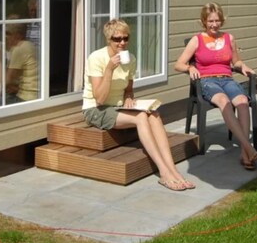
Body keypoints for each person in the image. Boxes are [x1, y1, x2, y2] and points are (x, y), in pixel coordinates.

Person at [83, 19, 196, 191]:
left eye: (126, 38)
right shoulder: (97, 58)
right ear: (108, 39)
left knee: (154, 113)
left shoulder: (131, 59)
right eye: (117, 39)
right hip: (96, 109)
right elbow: (99, 98)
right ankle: (164, 172)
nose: (122, 42)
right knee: (141, 117)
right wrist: (109, 69)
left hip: (118, 107)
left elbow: (128, 90)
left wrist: (129, 97)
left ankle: (173, 169)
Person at [174, 2, 257, 170]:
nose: (214, 24)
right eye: (210, 21)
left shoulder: (229, 38)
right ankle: (248, 148)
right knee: (223, 101)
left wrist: (243, 66)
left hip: (227, 79)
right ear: (204, 22)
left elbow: (236, 61)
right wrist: (190, 67)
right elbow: (178, 64)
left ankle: (244, 153)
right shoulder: (197, 40)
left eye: (217, 20)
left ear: (222, 21)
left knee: (243, 101)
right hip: (207, 81)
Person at [4, 21, 38, 103]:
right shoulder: (31, 45)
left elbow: (7, 81)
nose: (5, 37)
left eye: (8, 33)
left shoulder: (19, 49)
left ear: (18, 35)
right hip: (36, 95)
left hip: (25, 98)